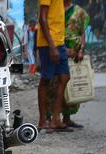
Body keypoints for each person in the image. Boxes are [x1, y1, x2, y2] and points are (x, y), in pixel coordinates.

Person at [36, 0, 70, 131]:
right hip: (48, 44)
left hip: (59, 43)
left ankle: (56, 119)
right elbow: (42, 19)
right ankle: (42, 120)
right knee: (46, 80)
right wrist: (51, 46)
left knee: (64, 77)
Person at [62, 0, 90, 128]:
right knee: (55, 84)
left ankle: (67, 118)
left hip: (75, 51)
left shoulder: (78, 11)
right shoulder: (55, 9)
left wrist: (81, 49)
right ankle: (51, 118)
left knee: (73, 84)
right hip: (59, 49)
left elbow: (82, 32)